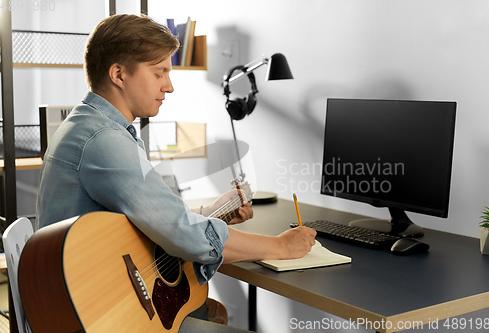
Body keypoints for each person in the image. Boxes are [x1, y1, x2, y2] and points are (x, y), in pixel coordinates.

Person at [36, 14, 316, 333]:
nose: (168, 86)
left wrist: (211, 213)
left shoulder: (87, 124)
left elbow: (150, 217)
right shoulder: (104, 140)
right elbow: (185, 234)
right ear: (118, 74)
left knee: (210, 309)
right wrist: (280, 246)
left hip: (92, 293)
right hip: (103, 310)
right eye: (160, 73)